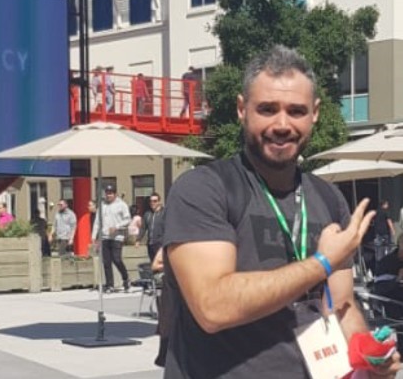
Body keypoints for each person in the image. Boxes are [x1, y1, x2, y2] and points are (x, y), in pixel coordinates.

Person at [163, 45, 401, 378]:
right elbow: (213, 307)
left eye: (296, 111)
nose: (282, 124)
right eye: (267, 109)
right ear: (242, 109)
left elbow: (341, 306)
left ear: (314, 113)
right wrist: (322, 262)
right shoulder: (204, 189)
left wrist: (369, 357)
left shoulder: (328, 198)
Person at [92, 185, 131, 292]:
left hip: (117, 236)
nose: (108, 195)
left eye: (111, 193)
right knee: (106, 262)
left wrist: (117, 227)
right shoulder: (102, 205)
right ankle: (110, 285)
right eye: (107, 193)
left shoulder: (121, 205)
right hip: (105, 236)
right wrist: (94, 236)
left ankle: (126, 278)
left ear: (115, 194)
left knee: (116, 259)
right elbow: (97, 222)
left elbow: (128, 219)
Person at [138, 192, 165, 262]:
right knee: (153, 263)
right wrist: (138, 239)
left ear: (159, 202)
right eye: (151, 201)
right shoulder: (147, 214)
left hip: (161, 244)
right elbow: (143, 228)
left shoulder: (164, 213)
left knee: (161, 263)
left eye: (155, 201)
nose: (152, 203)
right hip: (150, 244)